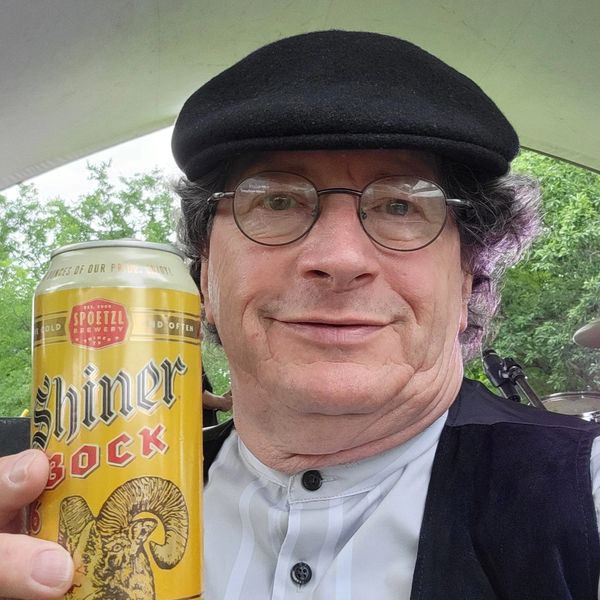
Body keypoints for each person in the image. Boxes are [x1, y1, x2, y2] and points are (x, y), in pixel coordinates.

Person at [0, 29, 598, 599]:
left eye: (400, 206)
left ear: (466, 275)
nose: (339, 259)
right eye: (278, 201)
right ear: (204, 271)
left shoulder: (582, 491)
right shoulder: (45, 506)